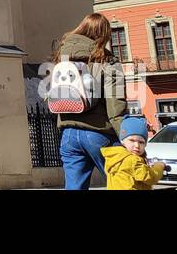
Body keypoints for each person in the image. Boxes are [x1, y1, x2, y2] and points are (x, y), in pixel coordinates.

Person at [50, 13, 128, 190]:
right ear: (104, 34)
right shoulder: (108, 60)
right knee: (122, 182)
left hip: (68, 134)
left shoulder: (62, 56)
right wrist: (127, 135)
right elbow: (115, 105)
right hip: (99, 132)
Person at [102, 115, 166, 190]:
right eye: (132, 140)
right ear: (122, 141)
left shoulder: (115, 157)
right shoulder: (133, 161)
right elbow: (151, 177)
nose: (137, 145)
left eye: (141, 142)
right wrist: (159, 166)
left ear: (145, 144)